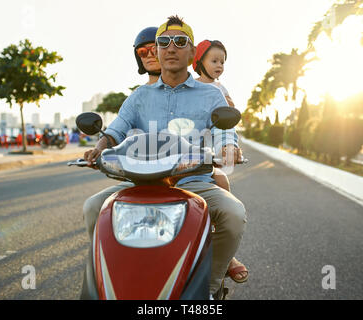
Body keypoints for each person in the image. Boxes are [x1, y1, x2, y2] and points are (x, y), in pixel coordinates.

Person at [83, 15, 247, 297]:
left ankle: (210, 285)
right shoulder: (139, 96)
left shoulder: (210, 94)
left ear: (192, 51)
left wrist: (227, 147)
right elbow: (116, 130)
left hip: (193, 181)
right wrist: (100, 146)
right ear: (158, 50)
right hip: (140, 182)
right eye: (164, 42)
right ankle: (111, 281)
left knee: (233, 213)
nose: (171, 48)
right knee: (93, 207)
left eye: (180, 41)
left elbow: (224, 132)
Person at [193, 39, 249, 283]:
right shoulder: (190, 89)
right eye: (214, 60)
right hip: (185, 155)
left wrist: (229, 144)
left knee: (222, 184)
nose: (219, 65)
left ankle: (225, 255)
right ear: (199, 62)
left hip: (209, 156)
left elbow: (230, 120)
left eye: (222, 62)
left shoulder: (221, 90)